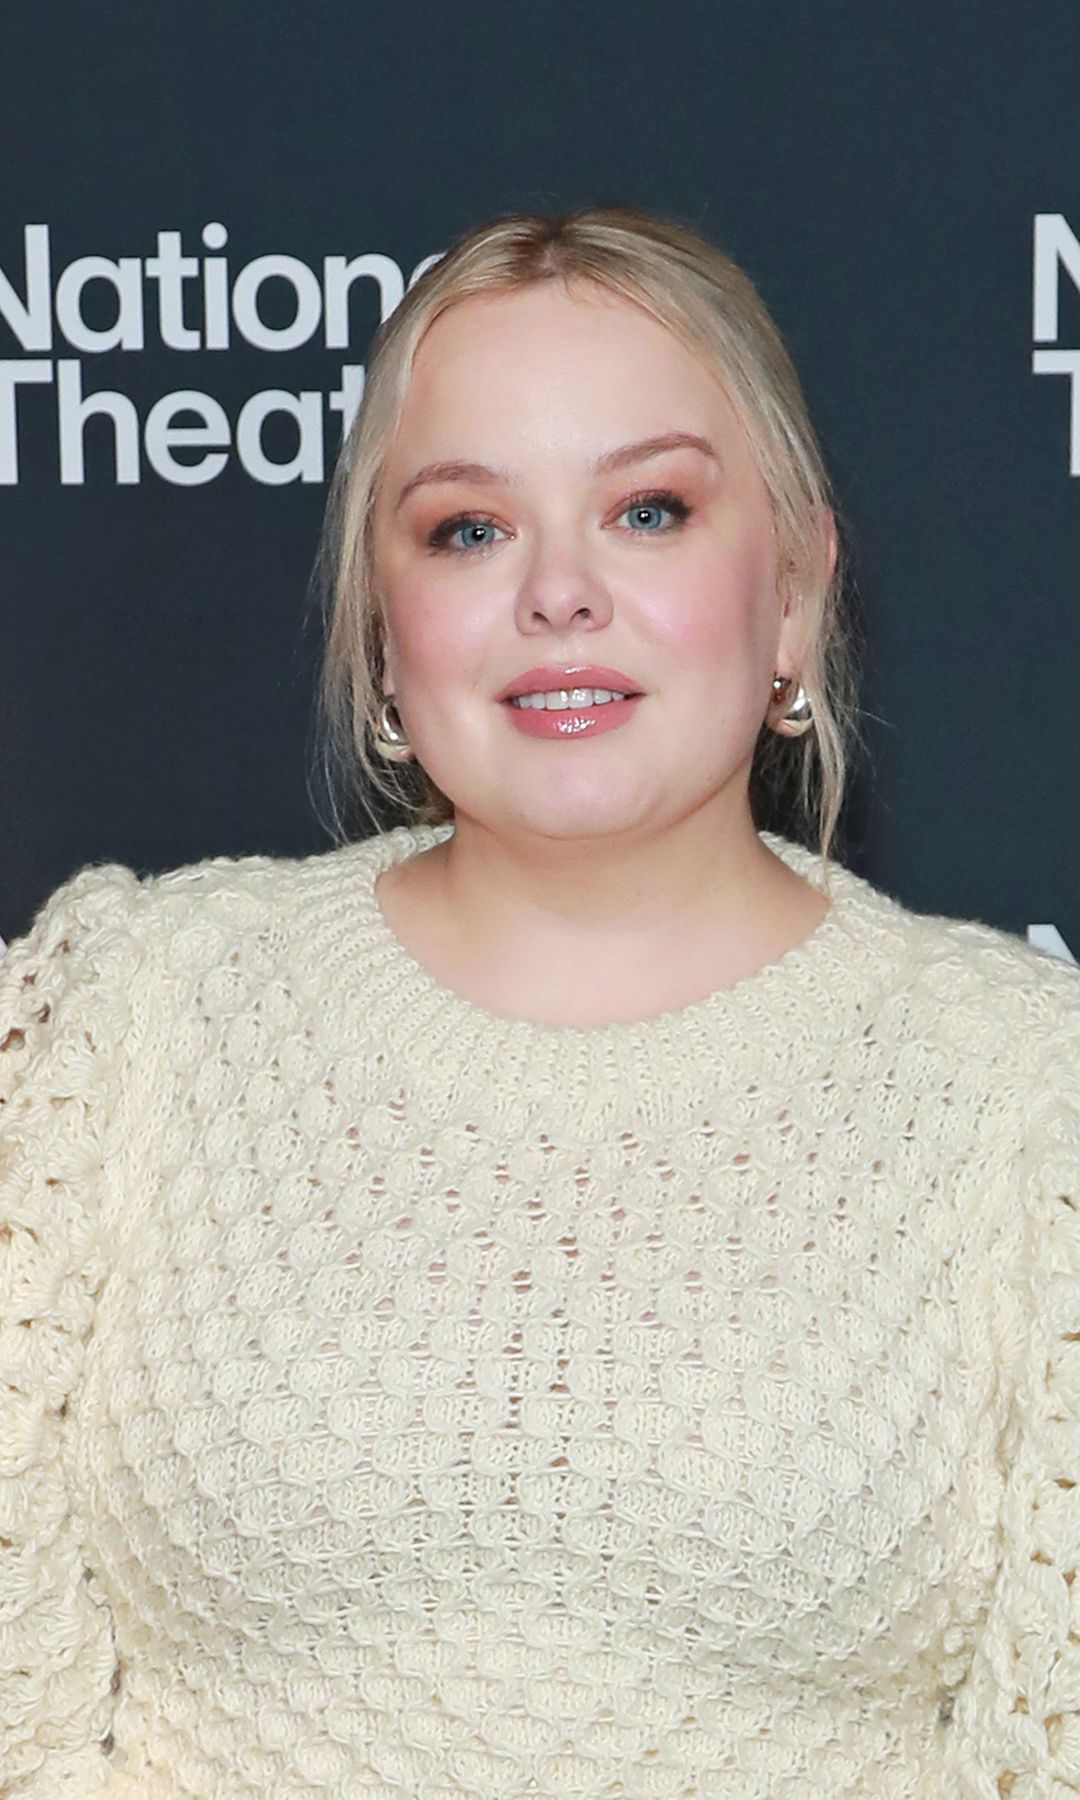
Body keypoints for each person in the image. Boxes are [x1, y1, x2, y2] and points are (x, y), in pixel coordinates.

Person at [0, 204, 1077, 1799]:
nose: (559, 593)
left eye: (648, 510)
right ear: (384, 629)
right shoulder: (119, 1021)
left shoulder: (1030, 1095)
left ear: (793, 588)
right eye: (468, 529)